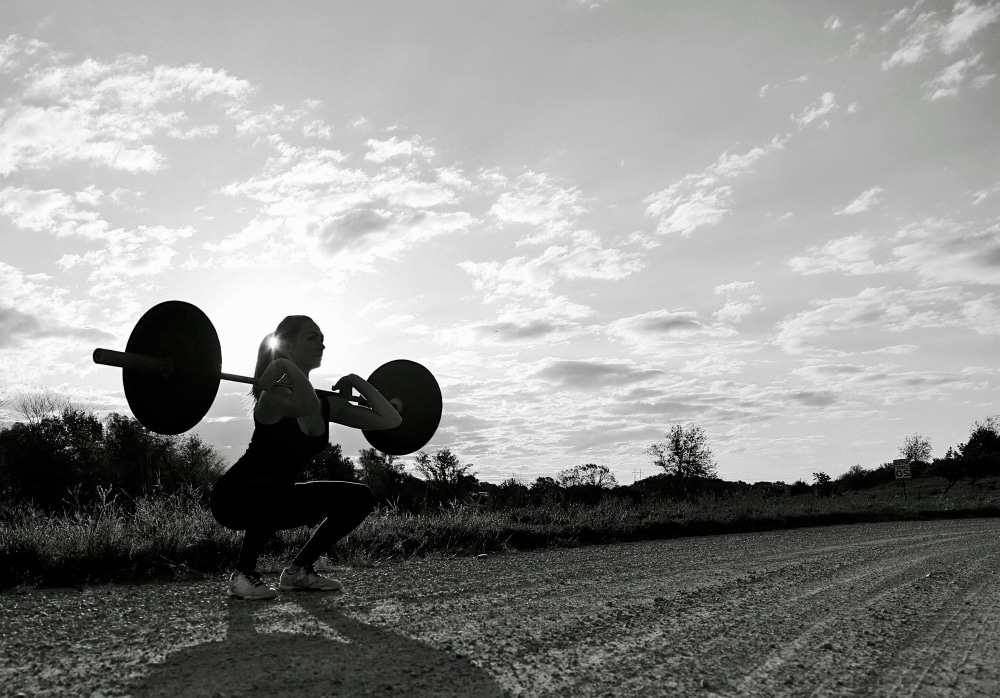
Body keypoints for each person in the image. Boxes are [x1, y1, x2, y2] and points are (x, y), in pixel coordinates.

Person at [210, 315, 401, 600]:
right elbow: (305, 402)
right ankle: (242, 574)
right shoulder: (271, 398)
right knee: (275, 485)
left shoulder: (326, 404)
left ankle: (298, 571)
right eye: (313, 338)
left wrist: (356, 381)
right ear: (286, 346)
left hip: (279, 498)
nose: (322, 346)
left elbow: (390, 419)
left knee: (360, 497)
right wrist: (285, 367)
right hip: (235, 499)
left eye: (323, 340)